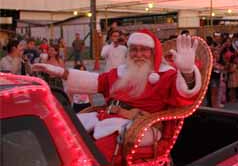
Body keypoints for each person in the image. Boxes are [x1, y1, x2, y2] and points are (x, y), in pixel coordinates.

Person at [32, 29, 203, 163]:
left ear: (153, 53)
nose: (138, 54)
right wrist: (62, 73)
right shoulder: (121, 72)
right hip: (107, 116)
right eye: (134, 50)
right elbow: (98, 81)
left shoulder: (166, 75)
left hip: (141, 125)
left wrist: (187, 73)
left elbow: (184, 96)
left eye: (144, 50)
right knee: (64, 129)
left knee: (100, 149)